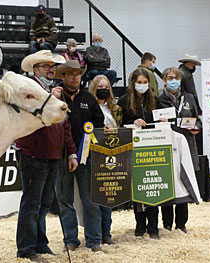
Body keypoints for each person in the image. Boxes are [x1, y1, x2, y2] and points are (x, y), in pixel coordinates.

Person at [15, 50, 78, 261]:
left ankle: (40, 244)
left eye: (52, 67)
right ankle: (26, 249)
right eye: (45, 66)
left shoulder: (51, 91)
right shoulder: (30, 91)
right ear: (35, 70)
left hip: (53, 154)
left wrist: (70, 152)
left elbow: (64, 124)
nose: (51, 70)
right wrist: (51, 99)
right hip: (33, 153)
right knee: (32, 203)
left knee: (44, 203)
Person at [54, 60, 105, 252]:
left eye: (78, 74)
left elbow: (98, 123)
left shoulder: (88, 98)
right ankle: (71, 239)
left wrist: (102, 131)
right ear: (63, 77)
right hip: (62, 156)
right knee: (65, 200)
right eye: (71, 74)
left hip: (86, 156)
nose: (75, 77)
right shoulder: (56, 98)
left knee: (90, 200)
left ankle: (94, 240)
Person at [157, 67, 201, 234]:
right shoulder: (159, 98)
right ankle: (167, 223)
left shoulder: (188, 98)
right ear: (164, 80)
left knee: (184, 182)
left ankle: (181, 224)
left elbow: (198, 120)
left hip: (187, 146)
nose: (173, 80)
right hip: (167, 148)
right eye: (170, 77)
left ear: (181, 80)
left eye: (176, 78)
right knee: (168, 183)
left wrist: (196, 127)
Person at [117, 68, 159, 239]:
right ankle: (140, 226)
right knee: (138, 187)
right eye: (139, 82)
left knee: (152, 186)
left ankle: (154, 227)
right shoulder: (124, 100)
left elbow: (164, 119)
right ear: (133, 83)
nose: (142, 85)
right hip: (134, 149)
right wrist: (132, 122)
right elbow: (119, 124)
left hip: (153, 149)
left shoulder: (155, 100)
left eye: (144, 82)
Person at [88, 74, 122, 245]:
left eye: (106, 86)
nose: (104, 89)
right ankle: (95, 234)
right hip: (94, 152)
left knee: (109, 195)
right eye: (100, 87)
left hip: (112, 152)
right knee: (95, 196)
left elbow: (121, 128)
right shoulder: (89, 107)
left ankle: (107, 233)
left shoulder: (115, 108)